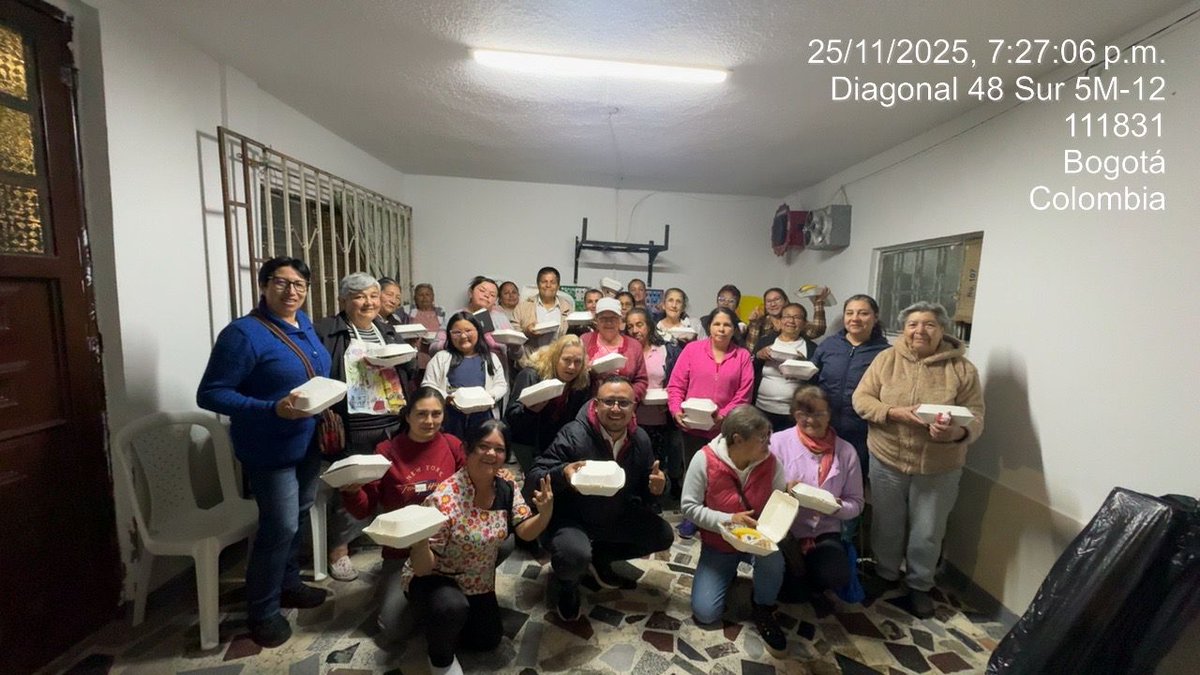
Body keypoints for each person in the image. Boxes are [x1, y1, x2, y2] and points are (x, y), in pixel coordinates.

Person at [196, 256, 330, 648]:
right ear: (263, 285)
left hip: (307, 438)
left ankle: (288, 584)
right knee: (280, 526)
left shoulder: (304, 325)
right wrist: (269, 408)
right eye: (281, 283)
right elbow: (211, 393)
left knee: (299, 516)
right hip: (268, 445)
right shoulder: (243, 334)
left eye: (299, 285)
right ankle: (263, 609)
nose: (291, 292)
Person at [853, 301, 985, 618]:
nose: (919, 330)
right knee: (887, 523)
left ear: (942, 330)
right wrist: (894, 413)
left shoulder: (962, 369)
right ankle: (886, 574)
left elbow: (977, 417)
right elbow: (861, 399)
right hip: (887, 457)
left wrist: (955, 434)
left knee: (928, 529)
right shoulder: (886, 359)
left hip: (939, 465)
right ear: (904, 329)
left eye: (928, 324)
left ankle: (919, 585)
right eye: (913, 324)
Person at [405, 420, 554, 675]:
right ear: (467, 449)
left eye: (499, 449)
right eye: (483, 447)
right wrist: (418, 540)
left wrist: (544, 514)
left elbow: (524, 530)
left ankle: (441, 623)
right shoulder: (445, 498)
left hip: (477, 582)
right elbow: (423, 568)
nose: (491, 454)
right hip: (436, 578)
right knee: (451, 608)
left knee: (488, 640)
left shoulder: (506, 487)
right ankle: (440, 658)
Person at [526, 376, 673, 621]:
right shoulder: (573, 434)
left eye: (623, 403)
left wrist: (660, 486)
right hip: (571, 519)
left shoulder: (640, 439)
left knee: (663, 534)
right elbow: (534, 478)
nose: (616, 408)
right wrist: (562, 472)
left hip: (614, 514)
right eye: (609, 401)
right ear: (596, 405)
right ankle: (568, 585)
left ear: (634, 407)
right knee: (574, 555)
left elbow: (649, 486)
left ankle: (601, 557)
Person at [337, 387, 465, 644]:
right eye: (421, 414)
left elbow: (468, 491)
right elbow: (365, 508)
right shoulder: (386, 452)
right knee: (392, 628)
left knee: (500, 543)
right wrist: (351, 492)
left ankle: (442, 597)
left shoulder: (452, 445)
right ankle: (426, 597)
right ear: (407, 416)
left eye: (436, 414)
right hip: (402, 553)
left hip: (445, 546)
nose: (429, 421)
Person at [314, 272, 416, 581]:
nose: (368, 302)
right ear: (343, 301)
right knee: (352, 485)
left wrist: (401, 359)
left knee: (392, 481)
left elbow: (407, 369)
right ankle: (339, 550)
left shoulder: (386, 330)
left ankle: (390, 535)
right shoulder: (327, 331)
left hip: (390, 420)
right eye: (359, 296)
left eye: (373, 295)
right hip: (352, 423)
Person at [681, 405, 788, 657]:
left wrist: (778, 516)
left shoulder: (771, 463)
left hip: (758, 541)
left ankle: (763, 606)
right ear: (738, 440)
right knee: (706, 614)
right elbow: (689, 507)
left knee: (774, 560)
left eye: (769, 436)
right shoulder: (705, 459)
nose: (768, 444)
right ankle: (726, 575)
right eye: (762, 438)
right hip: (719, 544)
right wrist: (730, 519)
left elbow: (778, 500)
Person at [770, 386, 864, 604]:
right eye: (803, 415)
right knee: (790, 595)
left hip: (824, 531)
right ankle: (797, 576)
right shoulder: (778, 442)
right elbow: (761, 491)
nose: (811, 421)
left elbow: (857, 503)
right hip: (786, 530)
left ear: (830, 414)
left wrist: (836, 506)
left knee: (834, 575)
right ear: (794, 415)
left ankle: (808, 575)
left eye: (818, 414)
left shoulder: (846, 452)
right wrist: (784, 491)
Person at [667, 307, 755, 538]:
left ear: (734, 329)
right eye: (717, 324)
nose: (722, 329)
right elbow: (676, 385)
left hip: (726, 428)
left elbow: (743, 395)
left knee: (723, 474)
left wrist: (722, 416)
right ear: (709, 327)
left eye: (727, 325)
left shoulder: (742, 356)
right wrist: (676, 410)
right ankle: (690, 516)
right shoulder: (692, 350)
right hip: (692, 425)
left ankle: (717, 517)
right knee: (694, 471)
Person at [810, 294, 889, 478]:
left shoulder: (885, 353)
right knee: (819, 477)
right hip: (824, 426)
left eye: (863, 313)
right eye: (850, 313)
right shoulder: (829, 345)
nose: (855, 318)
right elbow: (812, 377)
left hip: (862, 430)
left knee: (853, 481)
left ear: (875, 318)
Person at [505, 334, 591, 472]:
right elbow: (511, 418)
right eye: (566, 360)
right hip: (527, 443)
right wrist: (530, 411)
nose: (572, 367)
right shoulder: (531, 374)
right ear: (555, 357)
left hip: (558, 444)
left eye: (577, 362)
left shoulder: (580, 383)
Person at [624, 307, 684, 504]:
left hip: (660, 419)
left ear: (649, 326)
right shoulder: (624, 352)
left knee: (655, 463)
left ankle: (653, 501)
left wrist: (672, 402)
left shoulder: (666, 350)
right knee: (631, 464)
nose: (635, 330)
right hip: (631, 419)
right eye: (630, 326)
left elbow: (677, 382)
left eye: (639, 324)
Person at [423, 311, 508, 440]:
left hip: (483, 416)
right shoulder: (441, 358)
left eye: (468, 330)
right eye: (457, 332)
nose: (463, 336)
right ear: (449, 335)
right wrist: (446, 397)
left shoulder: (490, 358)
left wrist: (490, 396)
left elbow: (501, 384)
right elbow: (428, 385)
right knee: (453, 448)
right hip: (451, 416)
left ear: (478, 331)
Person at [752, 302, 818, 431]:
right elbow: (749, 370)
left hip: (793, 412)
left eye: (797, 317)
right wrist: (758, 356)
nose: (791, 321)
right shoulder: (765, 341)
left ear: (804, 323)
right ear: (780, 320)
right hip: (762, 408)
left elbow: (816, 380)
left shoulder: (811, 348)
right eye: (787, 316)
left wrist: (804, 364)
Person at [581, 297, 649, 402]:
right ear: (596, 321)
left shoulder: (634, 346)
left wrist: (627, 398)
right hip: (589, 404)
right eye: (603, 319)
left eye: (613, 318)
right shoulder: (585, 340)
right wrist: (586, 371)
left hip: (623, 408)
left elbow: (641, 380)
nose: (608, 323)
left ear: (620, 320)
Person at [513, 266, 573, 356]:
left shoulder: (567, 308)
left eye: (552, 282)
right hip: (530, 361)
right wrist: (527, 332)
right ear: (538, 284)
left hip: (558, 362)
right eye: (544, 282)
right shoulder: (522, 307)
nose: (548, 285)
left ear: (558, 286)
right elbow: (513, 338)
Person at [406, 282, 446, 376]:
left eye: (427, 294)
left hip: (437, 358)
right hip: (415, 359)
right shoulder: (407, 312)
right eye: (421, 295)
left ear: (433, 297)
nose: (424, 298)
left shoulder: (441, 313)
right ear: (415, 298)